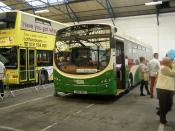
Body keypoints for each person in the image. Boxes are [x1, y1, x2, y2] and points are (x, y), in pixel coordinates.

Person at [156, 57, 175, 125]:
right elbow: (172, 74)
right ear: (166, 63)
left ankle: (160, 113)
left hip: (169, 89)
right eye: (170, 61)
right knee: (163, 106)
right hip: (162, 89)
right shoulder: (163, 68)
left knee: (169, 105)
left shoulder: (170, 68)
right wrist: (173, 65)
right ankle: (162, 120)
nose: (171, 62)